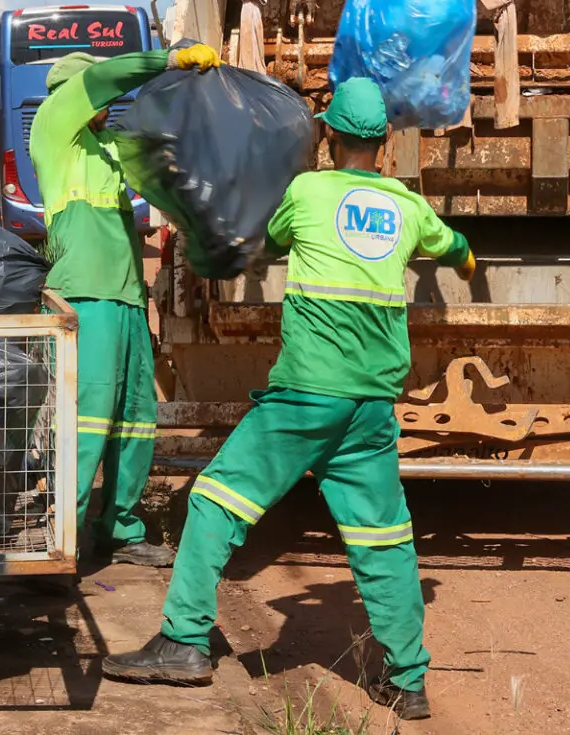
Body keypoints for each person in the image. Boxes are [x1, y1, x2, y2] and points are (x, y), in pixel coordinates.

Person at [101, 77, 475, 721]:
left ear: (328, 137)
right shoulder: (406, 207)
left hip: (305, 397)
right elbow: (454, 247)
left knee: (216, 503)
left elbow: (262, 239)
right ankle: (408, 681)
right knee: (384, 539)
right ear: (384, 145)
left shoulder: (306, 192)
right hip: (369, 407)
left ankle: (183, 641)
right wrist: (464, 260)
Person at [29, 39, 221, 567]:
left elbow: (166, 170)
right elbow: (106, 79)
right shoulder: (54, 127)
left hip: (128, 304)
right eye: (97, 95)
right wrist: (169, 58)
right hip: (83, 301)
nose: (107, 105)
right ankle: (59, 541)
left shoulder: (110, 147)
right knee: (86, 420)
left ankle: (121, 526)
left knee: (136, 420)